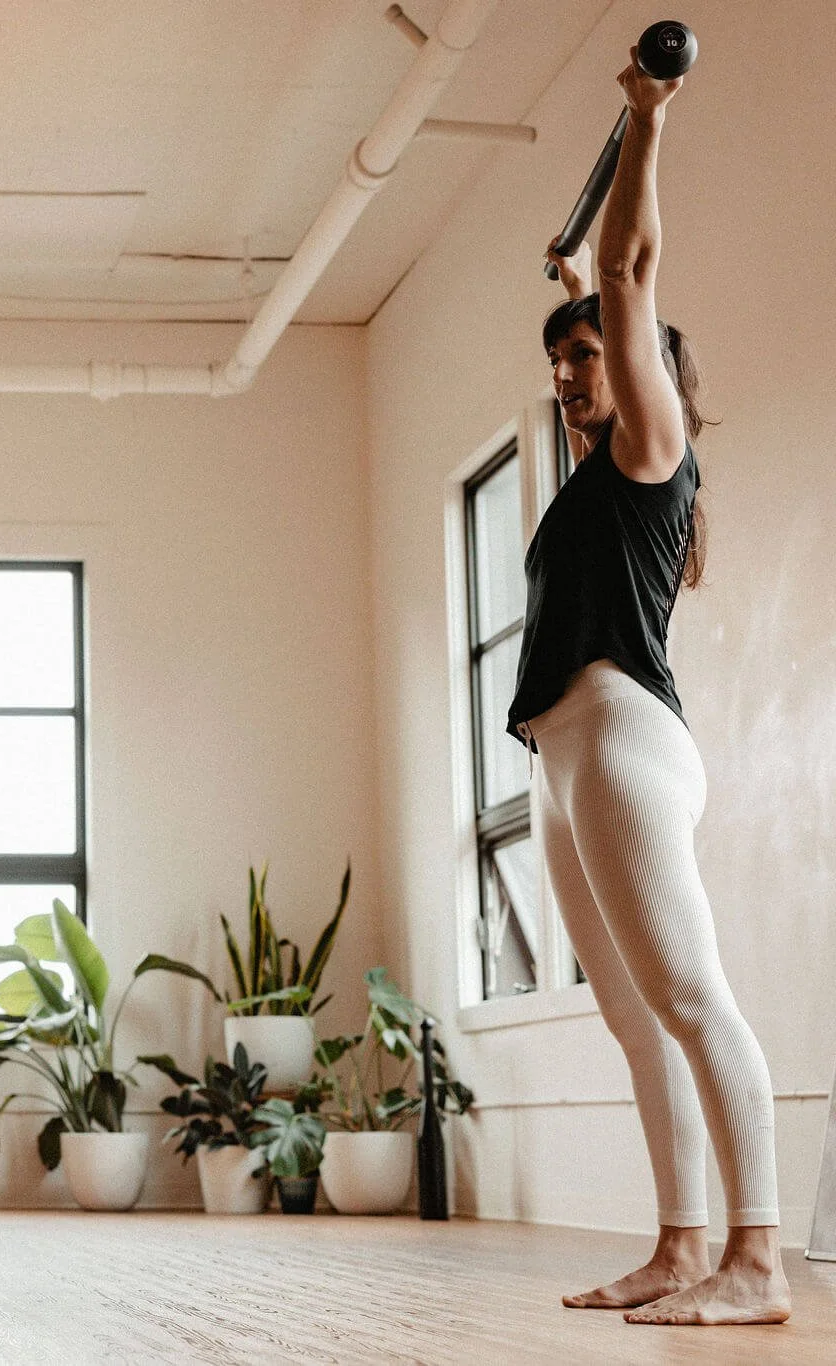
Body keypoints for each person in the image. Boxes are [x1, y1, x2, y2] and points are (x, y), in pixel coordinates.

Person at [516, 51, 787, 1327]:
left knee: (688, 997)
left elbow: (628, 275)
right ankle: (680, 1247)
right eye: (559, 359)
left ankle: (756, 1258)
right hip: (562, 754)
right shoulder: (588, 484)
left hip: (623, 733)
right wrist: (573, 284)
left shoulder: (650, 449)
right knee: (631, 1017)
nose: (569, 372)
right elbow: (598, 284)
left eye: (588, 356)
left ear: (645, 373)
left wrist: (642, 122)